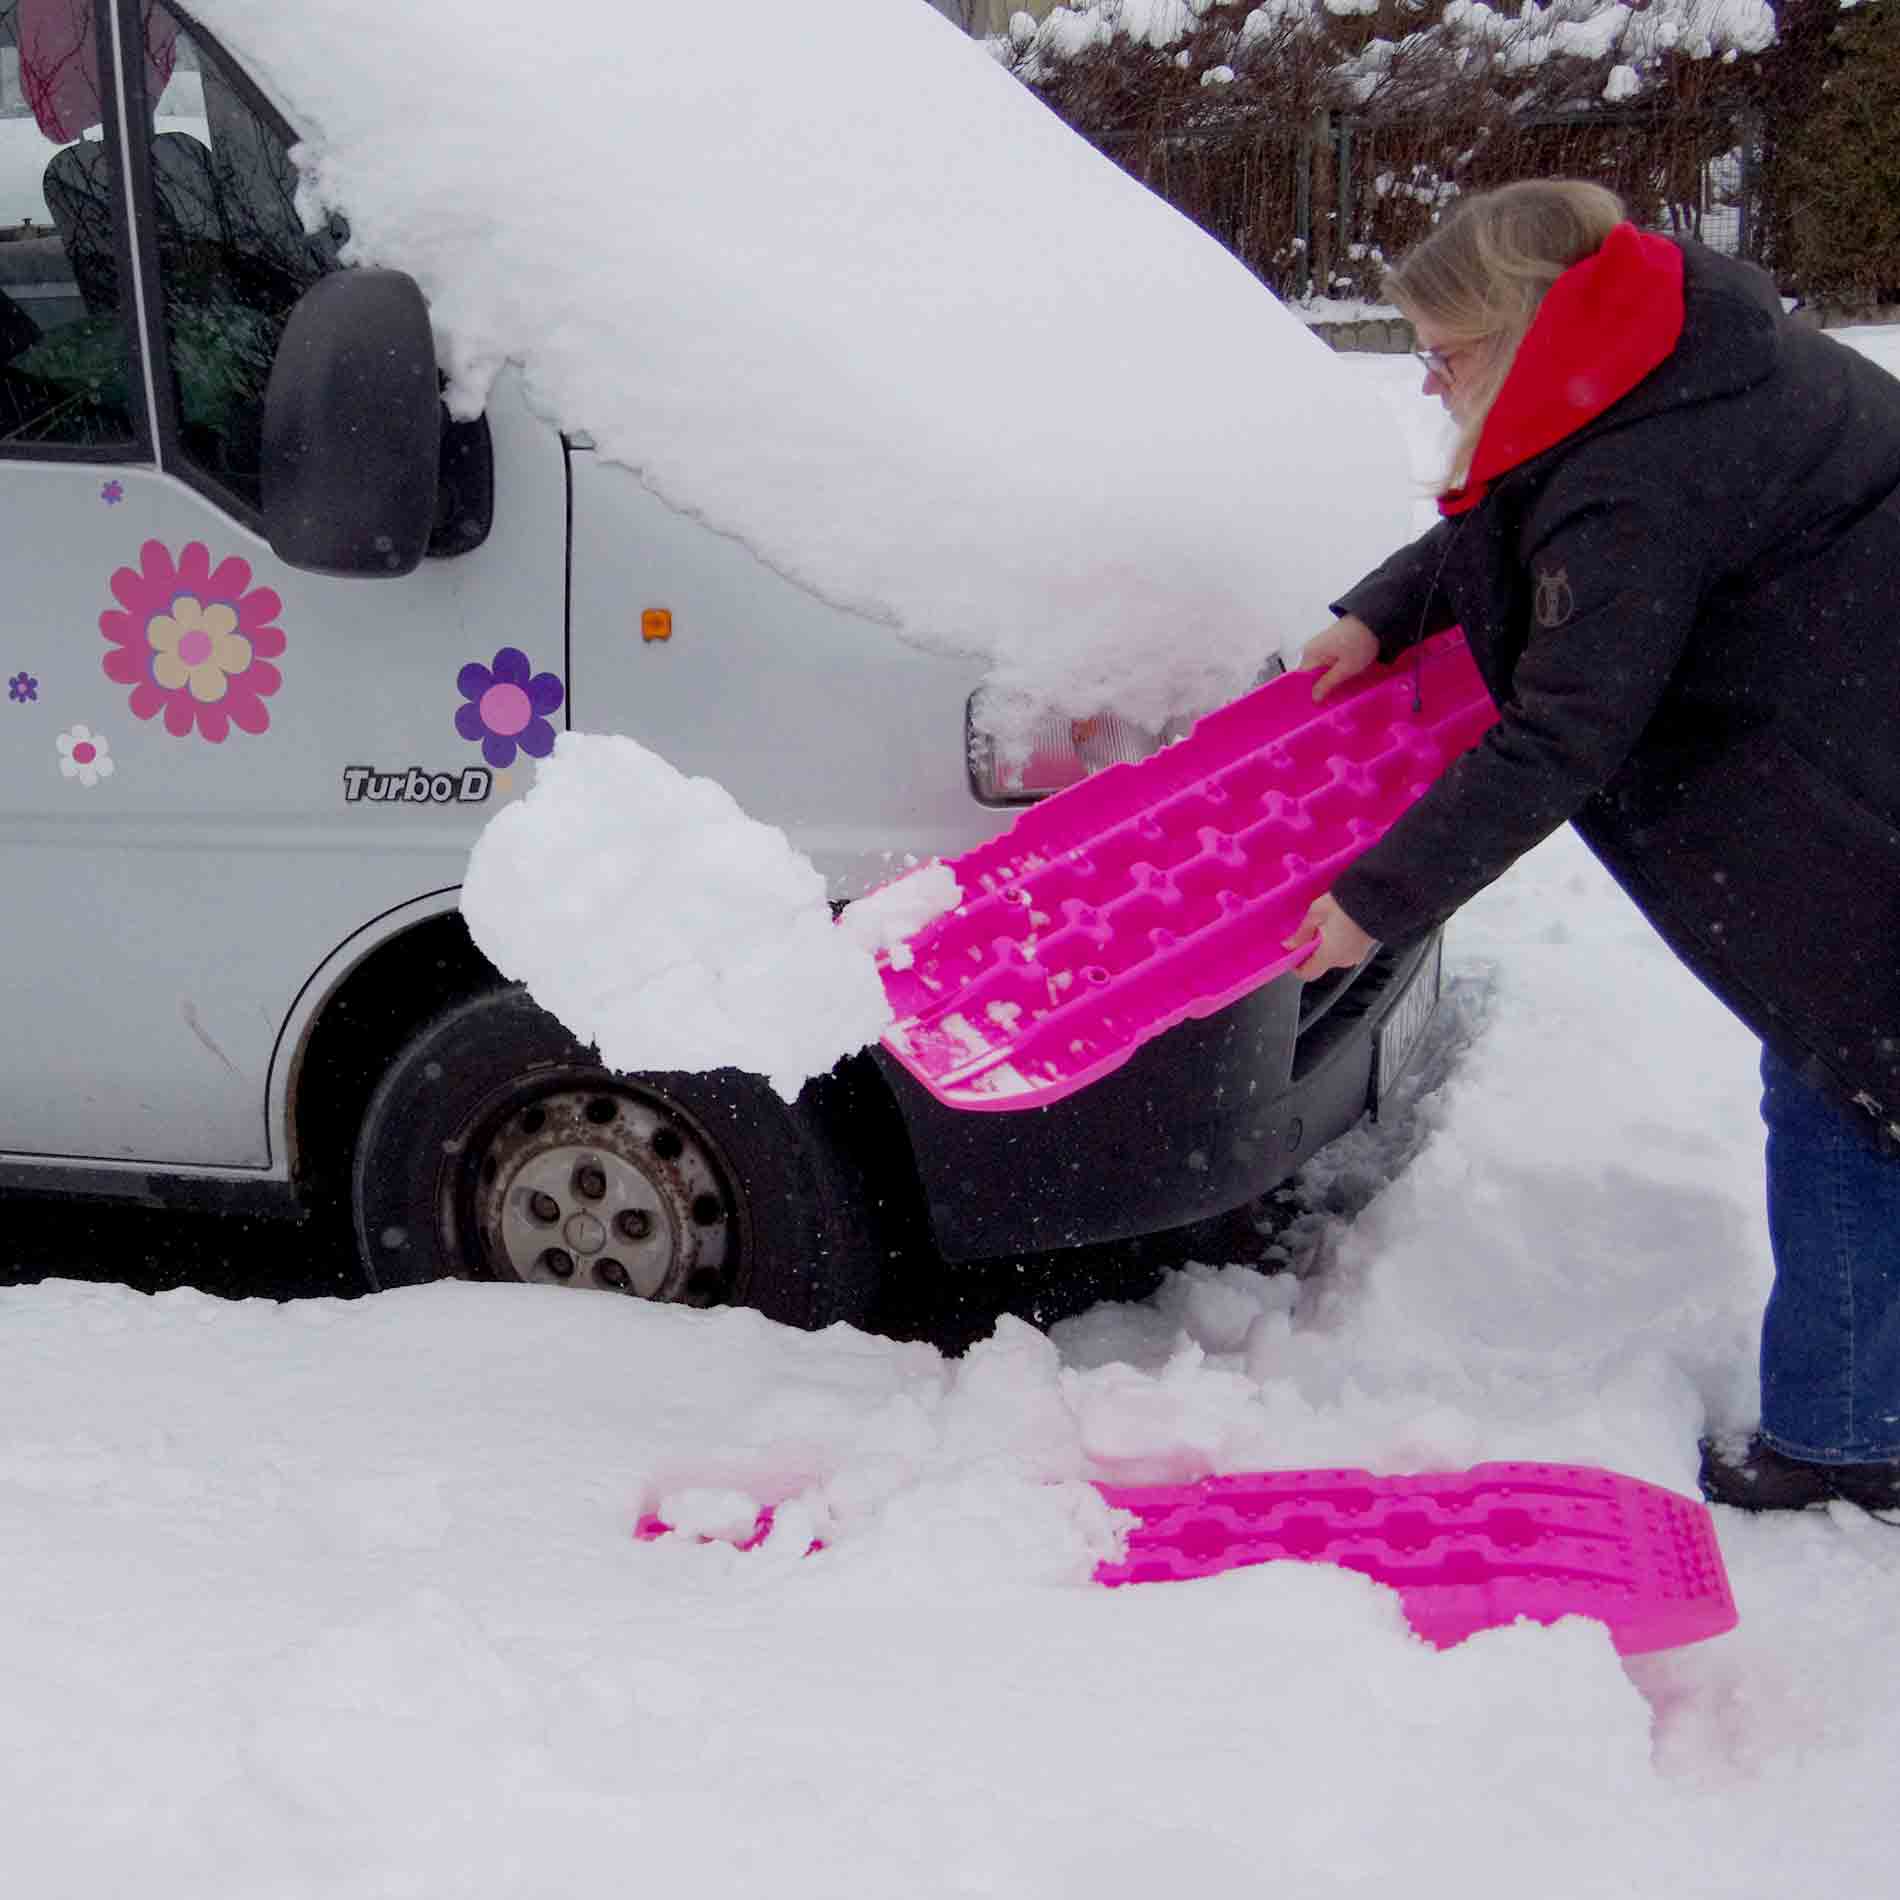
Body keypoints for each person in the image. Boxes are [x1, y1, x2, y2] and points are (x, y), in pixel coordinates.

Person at [1282, 179, 1900, 1515]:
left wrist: (1375, 898)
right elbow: (1519, 518)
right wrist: (1388, 613)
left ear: (1522, 340)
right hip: (1859, 725)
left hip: (1864, 784)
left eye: (1446, 356)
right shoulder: (1656, 351)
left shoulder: (1641, 474)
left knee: (1851, 1071)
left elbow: (1566, 733)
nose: (1430, 384)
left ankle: (1846, 1435)